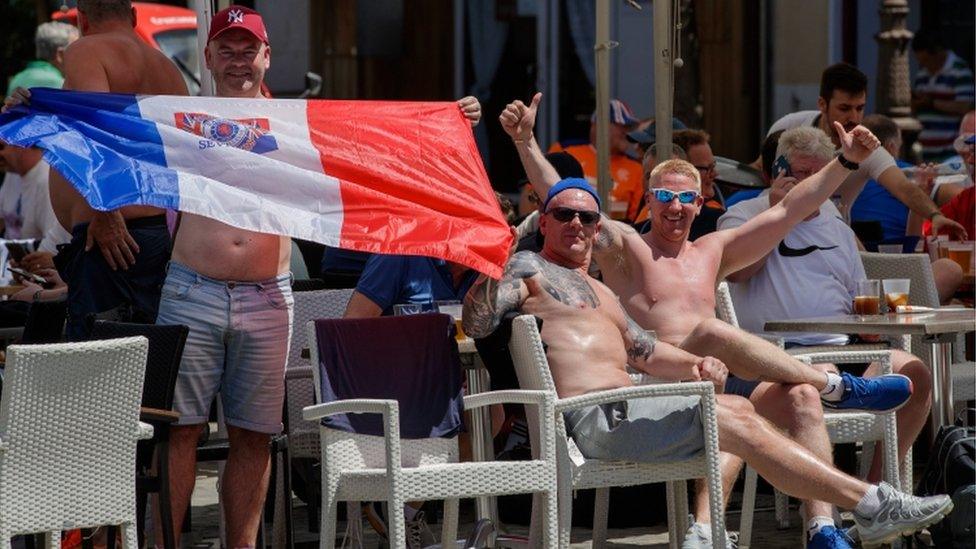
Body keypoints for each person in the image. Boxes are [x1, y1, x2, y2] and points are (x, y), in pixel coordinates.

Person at [501, 94, 917, 546]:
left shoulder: (713, 252)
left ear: (701, 203)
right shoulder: (628, 251)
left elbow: (790, 209)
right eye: (664, 197)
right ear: (649, 199)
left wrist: (846, 161)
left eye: (685, 198)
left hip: (715, 376)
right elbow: (562, 197)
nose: (675, 207)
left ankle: (822, 527)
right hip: (657, 386)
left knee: (798, 397)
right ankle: (709, 525)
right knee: (712, 332)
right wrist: (525, 142)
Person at [718, 127, 934, 547]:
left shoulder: (836, 225)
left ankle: (875, 498)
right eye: (803, 174)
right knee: (818, 379)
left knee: (915, 374)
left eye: (823, 173)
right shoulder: (745, 216)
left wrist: (872, 322)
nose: (815, 184)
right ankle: (824, 521)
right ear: (777, 172)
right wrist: (782, 215)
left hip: (844, 347)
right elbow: (737, 273)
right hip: (777, 358)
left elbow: (858, 299)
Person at [150, 6, 290, 545]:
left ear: (267, 56)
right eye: (226, 51)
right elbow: (102, 128)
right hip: (192, 289)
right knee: (179, 432)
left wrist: (449, 116)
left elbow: (376, 142)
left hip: (268, 299)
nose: (238, 62)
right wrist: (44, 106)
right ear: (206, 58)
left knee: (253, 437)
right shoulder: (178, 118)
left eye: (248, 51)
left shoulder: (295, 125)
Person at [3, 0, 189, 339]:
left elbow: (95, 126)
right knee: (142, 353)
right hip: (153, 234)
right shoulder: (167, 68)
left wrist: (105, 211)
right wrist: (37, 106)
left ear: (82, 20)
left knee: (100, 366)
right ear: (133, 17)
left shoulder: (86, 50)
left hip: (111, 236)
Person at [766, 62, 968, 241]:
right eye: (844, 108)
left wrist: (935, 216)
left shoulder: (866, 149)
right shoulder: (789, 126)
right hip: (781, 231)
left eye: (860, 108)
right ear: (822, 104)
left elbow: (904, 188)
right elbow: (762, 170)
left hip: (834, 238)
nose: (854, 117)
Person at [548, 99, 644, 221]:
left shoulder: (636, 169)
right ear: (598, 125)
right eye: (621, 126)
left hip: (614, 236)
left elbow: (635, 221)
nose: (627, 132)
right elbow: (533, 196)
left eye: (629, 127)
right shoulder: (564, 151)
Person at [911, 29, 975, 162]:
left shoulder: (960, 71)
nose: (924, 65)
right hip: (924, 153)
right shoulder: (922, 74)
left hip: (950, 154)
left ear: (938, 53)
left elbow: (965, 107)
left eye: (927, 60)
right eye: (921, 62)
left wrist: (931, 103)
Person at [0, 143, 71, 261]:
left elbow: (52, 249)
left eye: (1, 147)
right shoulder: (13, 172)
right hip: (11, 262)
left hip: (30, 267)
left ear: (23, 144)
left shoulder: (46, 180)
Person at [672, 129, 724, 240]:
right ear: (681, 170)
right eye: (707, 168)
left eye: (713, 166)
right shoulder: (651, 212)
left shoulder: (718, 220)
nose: (714, 174)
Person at [5, 21, 79, 96]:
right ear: (60, 55)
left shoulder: (17, 78)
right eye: (76, 50)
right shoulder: (60, 84)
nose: (79, 56)